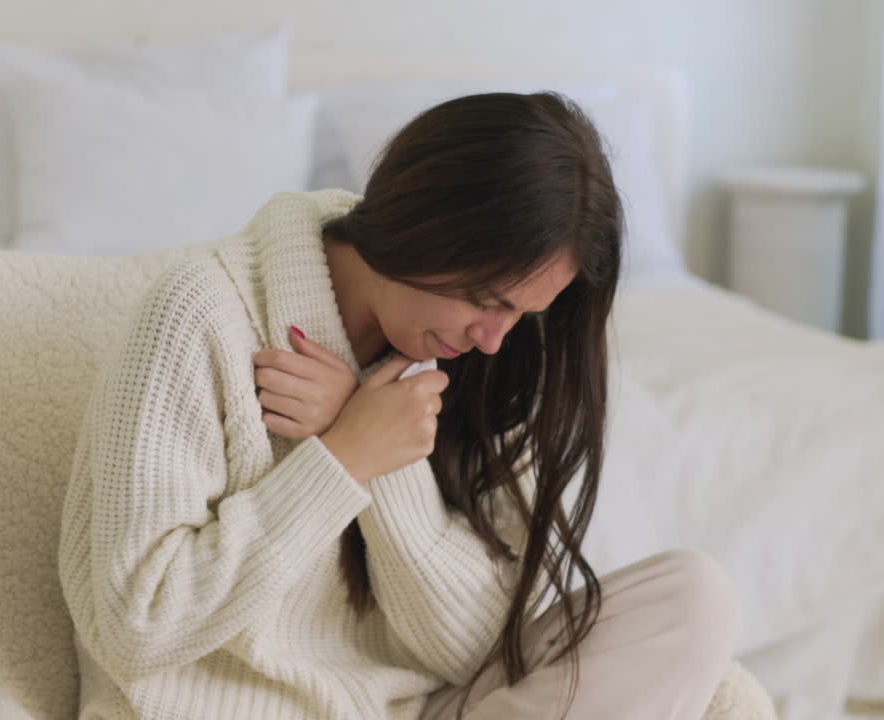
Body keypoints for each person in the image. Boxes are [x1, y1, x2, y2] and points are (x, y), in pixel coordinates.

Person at [59, 91, 743, 719]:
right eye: (486, 299)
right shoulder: (201, 315)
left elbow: (473, 654)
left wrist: (382, 461)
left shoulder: (487, 363)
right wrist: (339, 459)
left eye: (522, 314)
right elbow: (136, 626)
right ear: (427, 225)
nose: (492, 339)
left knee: (694, 597)